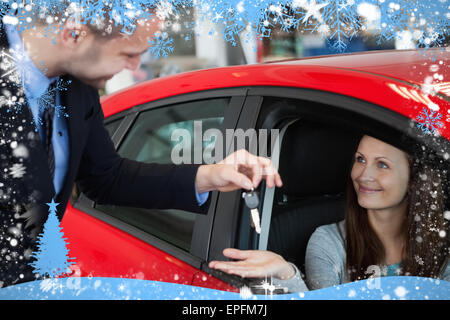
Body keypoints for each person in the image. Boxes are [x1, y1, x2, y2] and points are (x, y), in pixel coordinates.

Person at [0, 8, 283, 287]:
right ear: (74, 33)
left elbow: (107, 178)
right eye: (128, 53)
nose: (135, 67)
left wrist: (210, 175)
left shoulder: (77, 84)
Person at [209, 135, 450, 292]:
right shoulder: (329, 242)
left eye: (382, 164)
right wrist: (287, 272)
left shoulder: (442, 245)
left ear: (415, 181)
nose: (363, 175)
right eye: (360, 159)